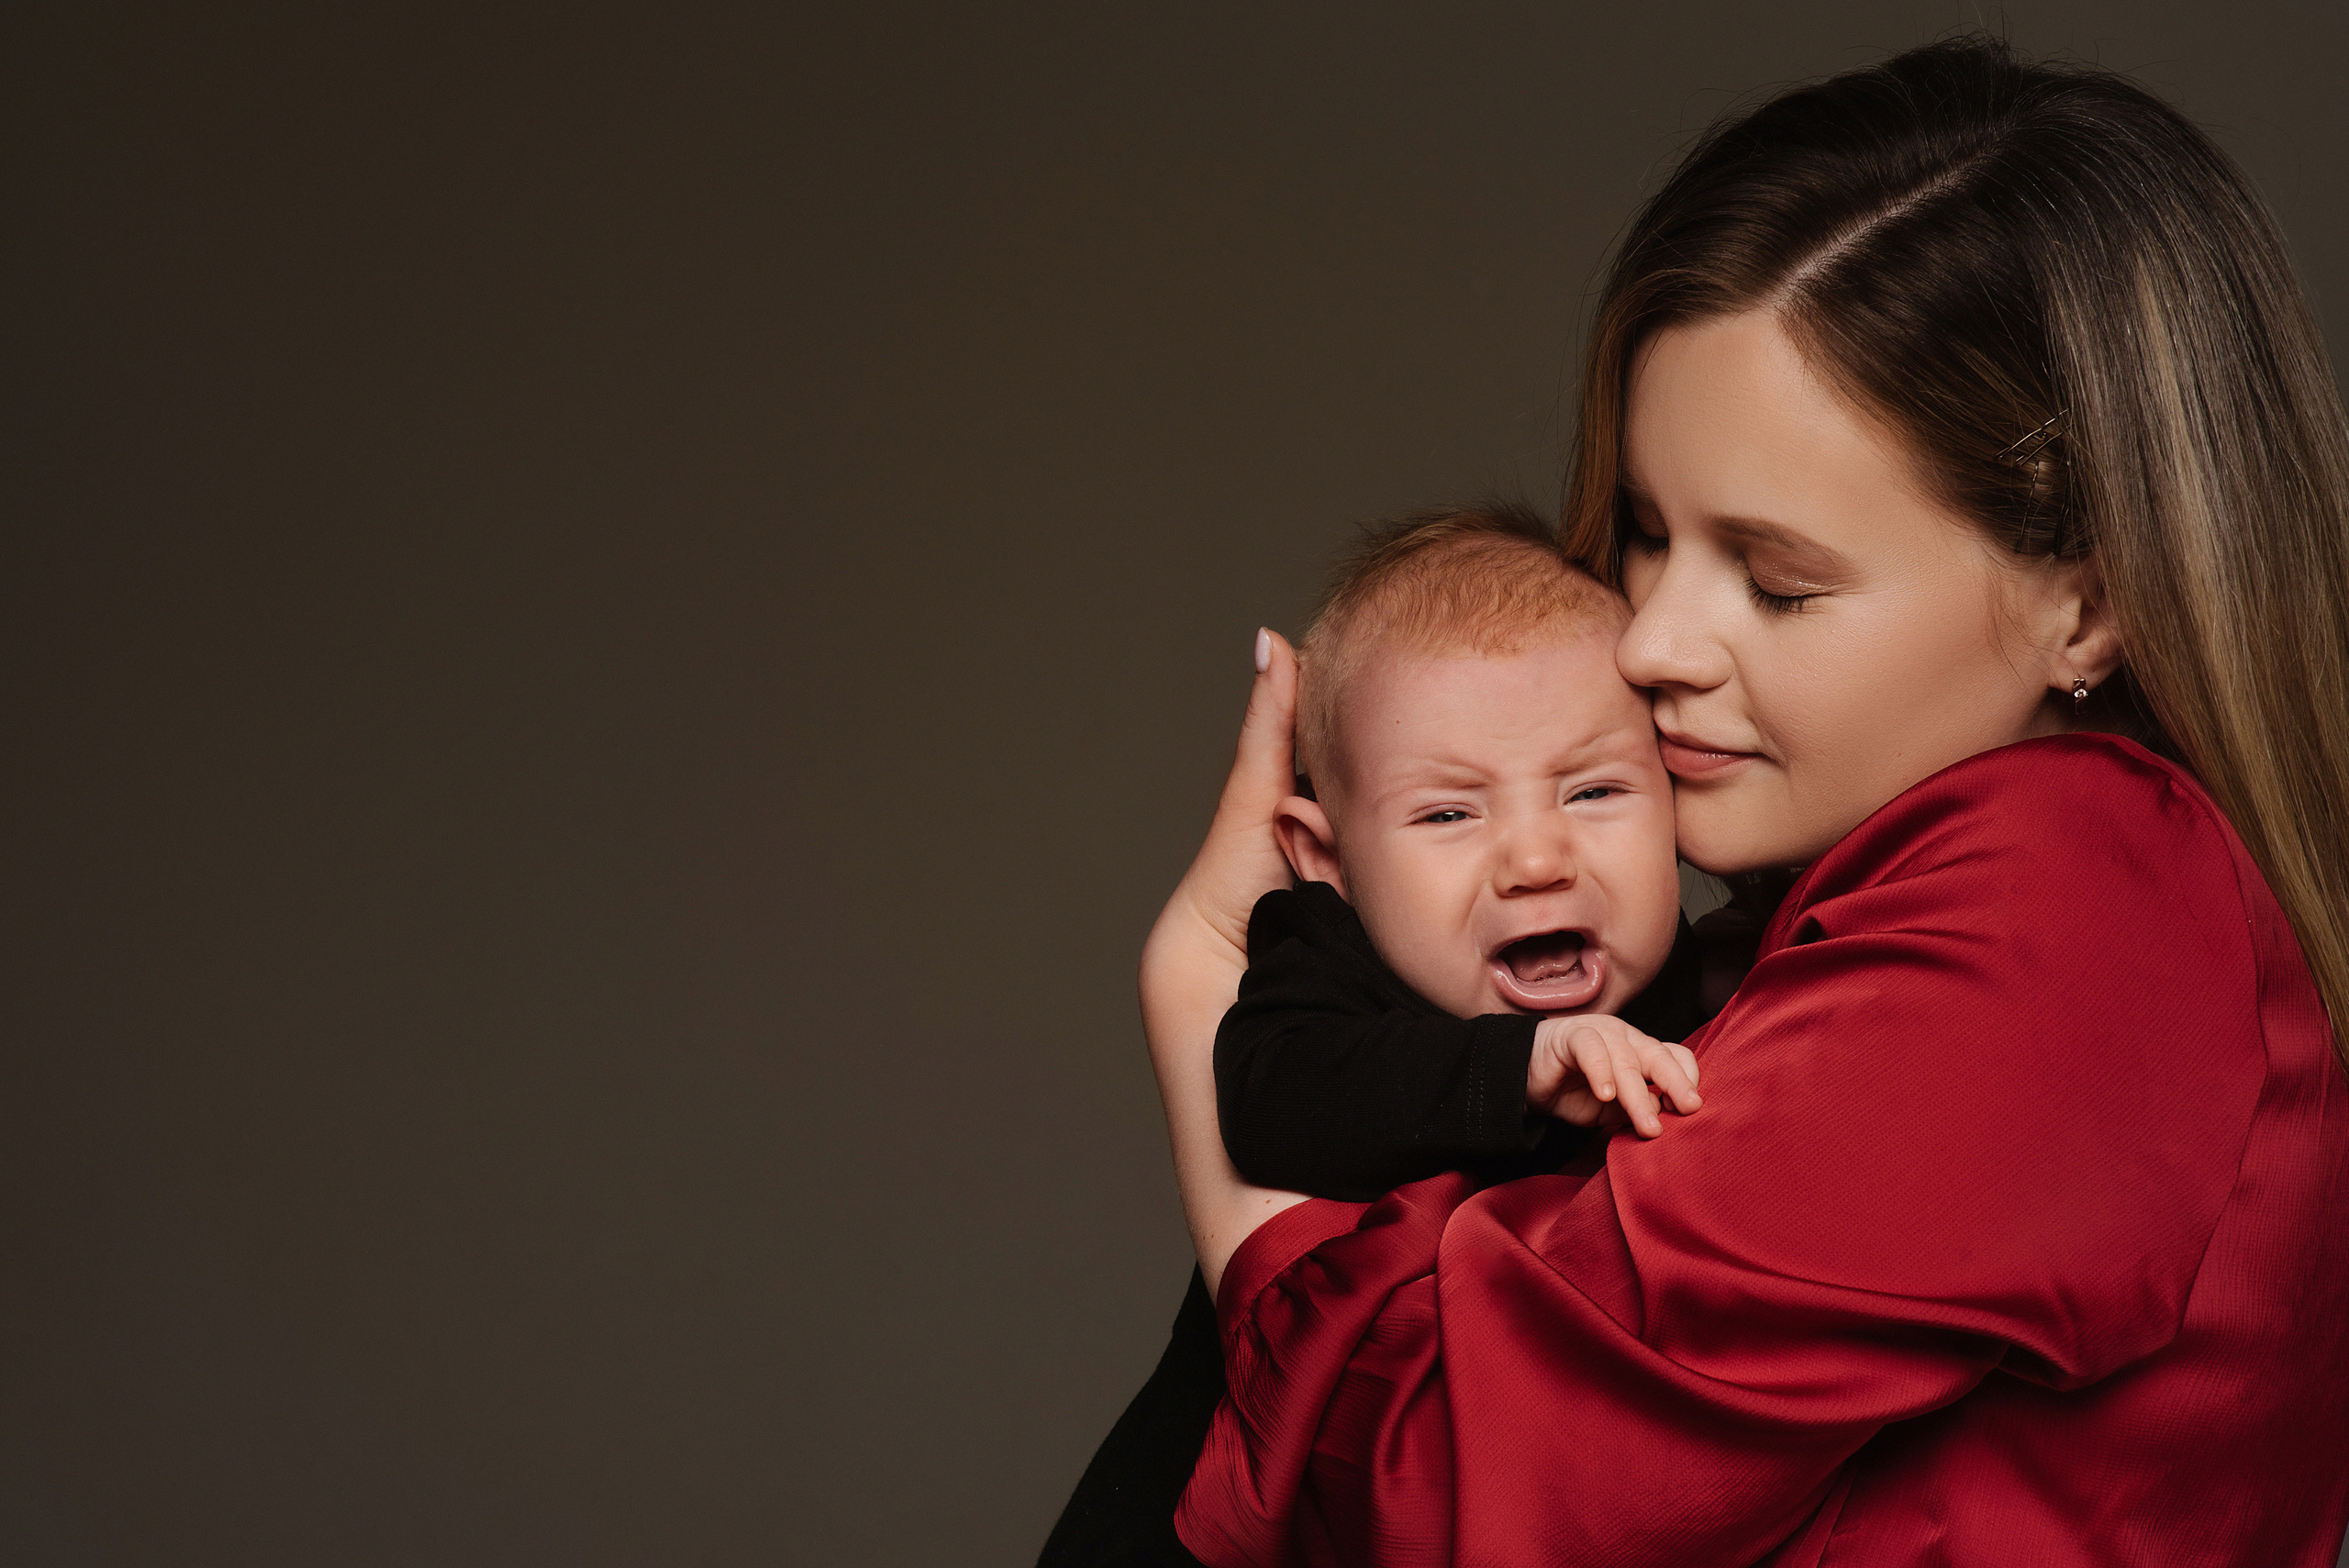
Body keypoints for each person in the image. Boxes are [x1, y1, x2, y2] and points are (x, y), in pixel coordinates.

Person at [1148, 37, 2349, 1566]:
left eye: (1777, 581)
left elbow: (1448, 1483)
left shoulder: (2074, 900)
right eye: (1648, 531)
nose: (1648, 638)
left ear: (2086, 610)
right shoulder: (1864, 918)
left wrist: (1216, 1029)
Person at [1039, 503, 1716, 1568]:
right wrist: (1519, 1068)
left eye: (1593, 790)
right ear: (1328, 859)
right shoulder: (1323, 966)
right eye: (1449, 814)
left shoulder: (1710, 982)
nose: (1536, 859)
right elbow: (1275, 1104)